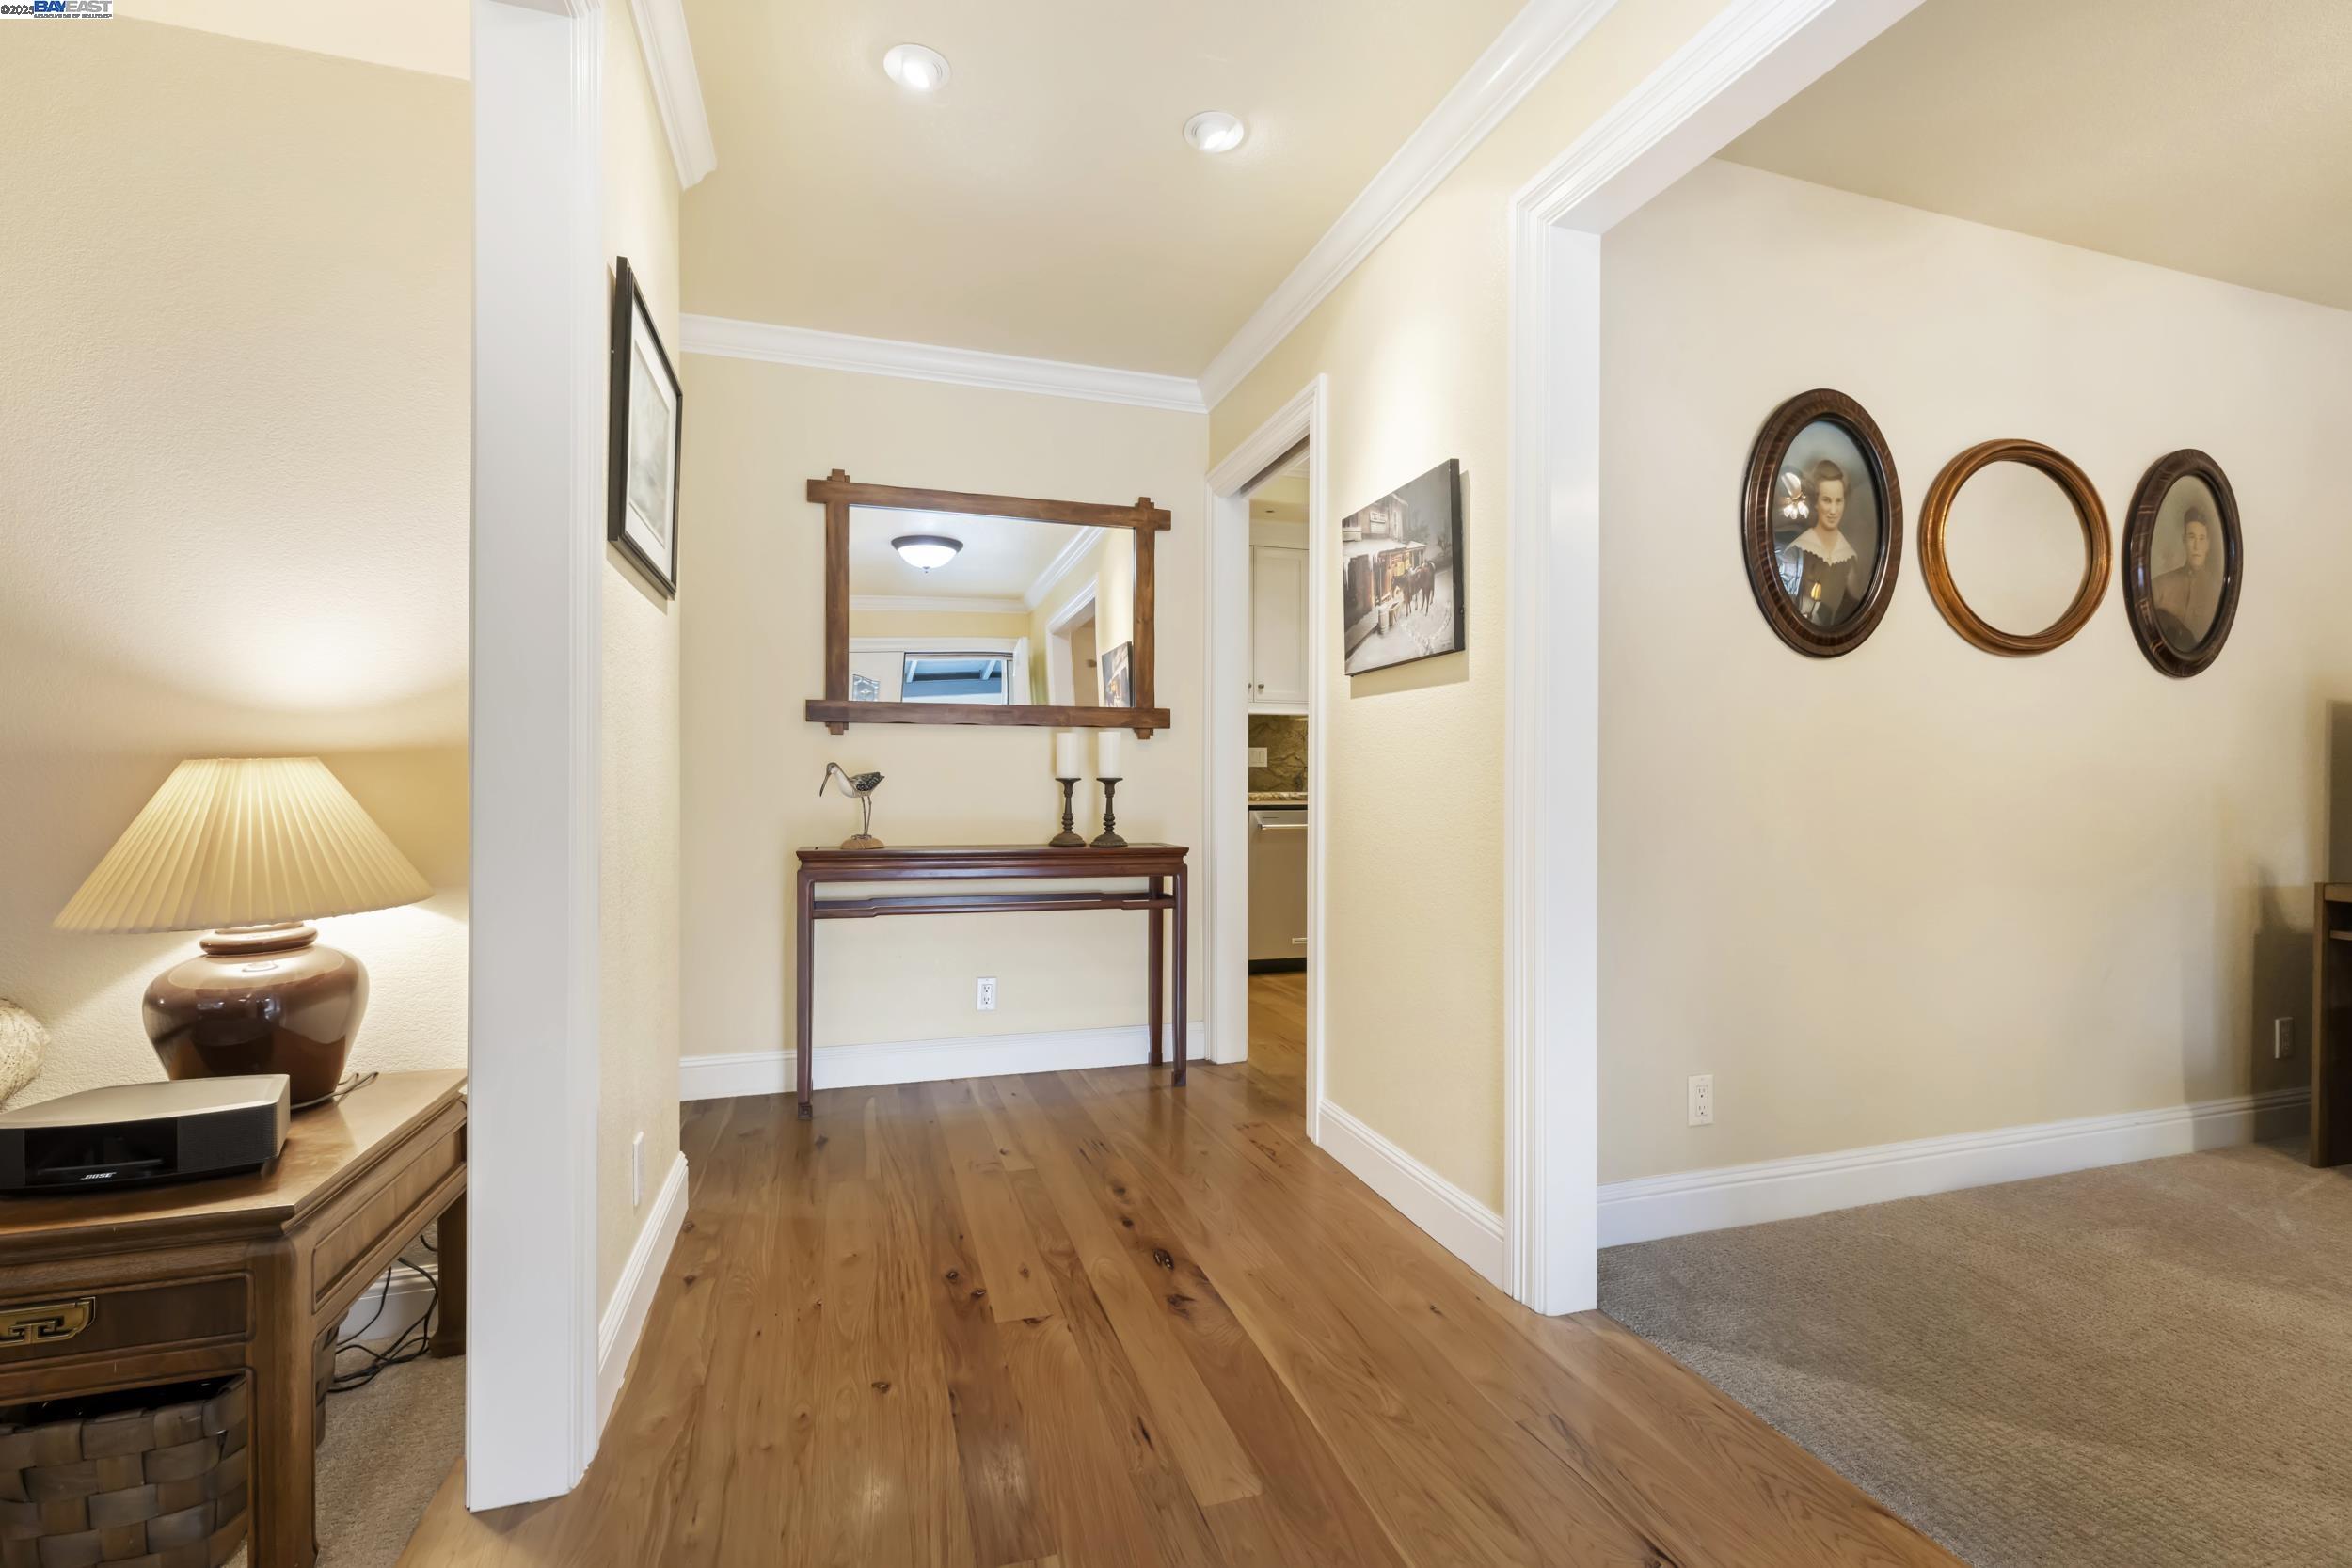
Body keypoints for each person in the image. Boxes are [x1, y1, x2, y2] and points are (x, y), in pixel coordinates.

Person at [1777, 458, 1867, 626]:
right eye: (1826, 500)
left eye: (1838, 501)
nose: (1833, 510)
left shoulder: (1849, 558)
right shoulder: (1796, 546)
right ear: (1816, 503)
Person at [2150, 506, 2223, 648]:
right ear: (2184, 541)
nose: (2196, 546)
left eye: (2201, 539)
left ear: (2208, 545)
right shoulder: (2161, 585)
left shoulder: (2216, 594)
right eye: (2191, 537)